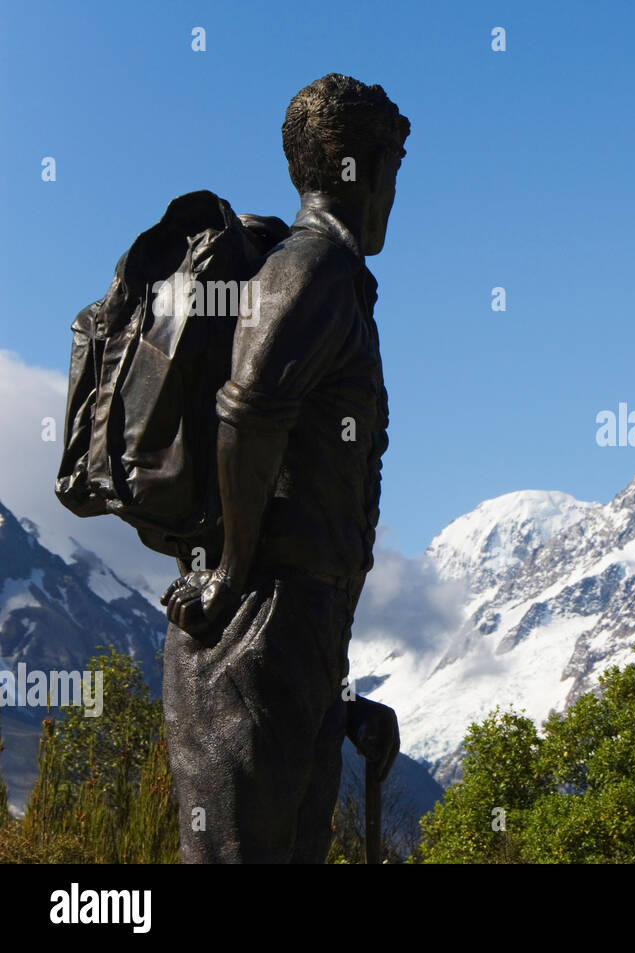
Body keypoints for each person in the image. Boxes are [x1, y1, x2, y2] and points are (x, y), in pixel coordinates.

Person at [159, 74, 409, 863]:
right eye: (391, 166)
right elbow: (248, 411)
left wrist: (338, 704)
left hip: (292, 633)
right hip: (253, 631)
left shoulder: (329, 279)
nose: (394, 192)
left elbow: (299, 498)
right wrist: (230, 575)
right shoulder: (313, 270)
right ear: (353, 167)